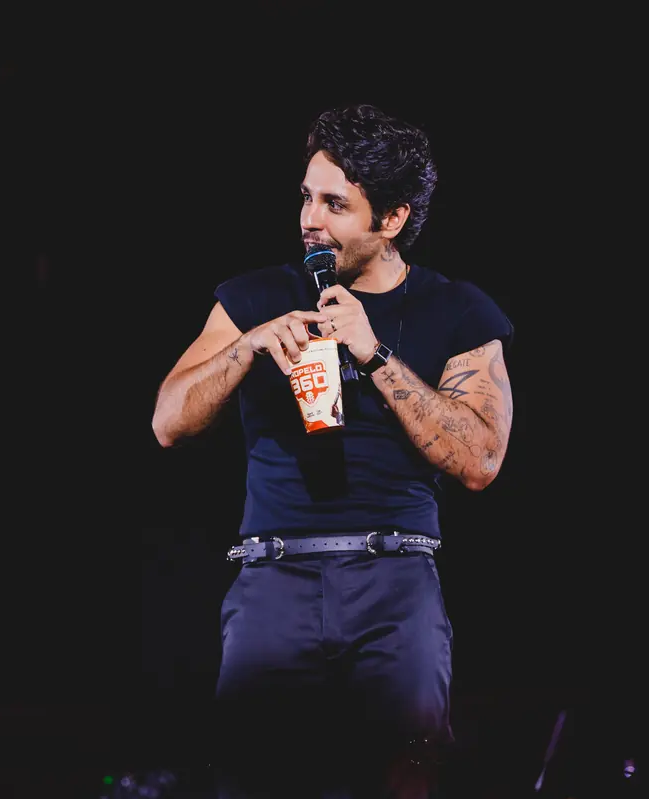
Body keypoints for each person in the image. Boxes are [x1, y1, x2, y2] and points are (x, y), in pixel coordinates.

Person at [151, 103, 515, 798]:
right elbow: (168, 421)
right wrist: (247, 346)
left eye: (335, 204)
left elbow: (481, 461)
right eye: (306, 197)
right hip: (274, 578)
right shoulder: (256, 296)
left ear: (392, 218)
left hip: (395, 583)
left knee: (406, 775)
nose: (309, 220)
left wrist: (374, 354)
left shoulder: (458, 309)